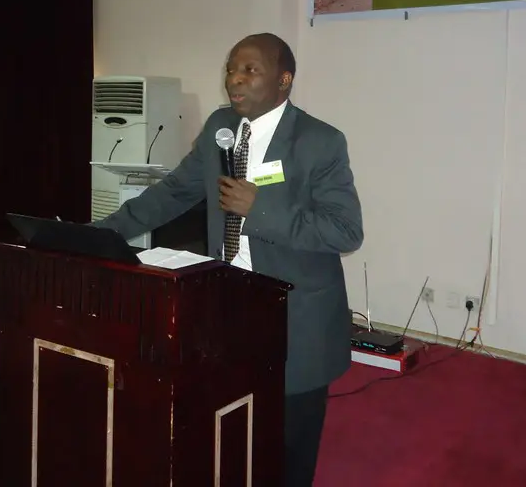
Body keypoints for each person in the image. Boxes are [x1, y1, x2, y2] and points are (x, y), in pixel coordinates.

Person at [95, 32, 363, 487]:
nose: (234, 80)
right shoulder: (221, 127)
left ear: (284, 80)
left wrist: (258, 208)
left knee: (289, 440)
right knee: (233, 417)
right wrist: (100, 232)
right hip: (226, 298)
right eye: (231, 70)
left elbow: (345, 230)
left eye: (249, 71)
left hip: (295, 313)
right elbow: (173, 192)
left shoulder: (319, 141)